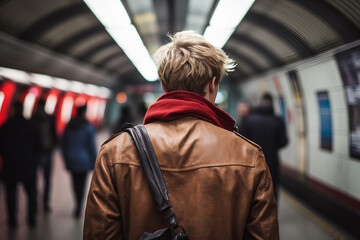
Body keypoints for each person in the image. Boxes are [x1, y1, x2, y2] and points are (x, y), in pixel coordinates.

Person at [84, 31, 279, 239]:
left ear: (163, 84)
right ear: (213, 84)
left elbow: (100, 234)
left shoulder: (114, 152)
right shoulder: (248, 156)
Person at [239, 93, 288, 199]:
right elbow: (284, 141)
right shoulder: (277, 120)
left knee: (252, 190)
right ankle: (271, 214)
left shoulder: (248, 120)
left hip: (251, 162)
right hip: (272, 162)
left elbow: (240, 141)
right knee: (271, 190)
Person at [0, 101, 40, 227]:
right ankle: (31, 218)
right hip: (28, 165)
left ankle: (12, 219)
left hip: (10, 165)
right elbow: (38, 145)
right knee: (31, 192)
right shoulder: (31, 125)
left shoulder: (5, 126)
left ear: (13, 110)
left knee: (11, 193)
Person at [61, 105, 97, 218]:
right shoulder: (87, 127)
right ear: (84, 112)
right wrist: (94, 162)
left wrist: (66, 158)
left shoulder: (69, 126)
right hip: (84, 160)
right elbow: (91, 146)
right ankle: (79, 206)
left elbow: (64, 144)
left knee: (75, 183)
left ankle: (76, 201)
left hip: (72, 159)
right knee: (82, 184)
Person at [32, 98, 57, 212]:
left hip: (35, 153)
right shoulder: (50, 118)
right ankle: (45, 203)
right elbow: (54, 135)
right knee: (47, 179)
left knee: (34, 179)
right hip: (47, 151)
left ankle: (35, 203)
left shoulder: (32, 119)